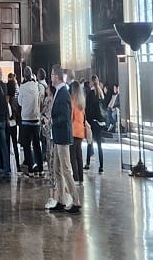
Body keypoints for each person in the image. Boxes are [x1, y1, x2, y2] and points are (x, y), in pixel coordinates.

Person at [46, 65, 79, 213]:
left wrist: (52, 120)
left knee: (65, 170)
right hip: (57, 136)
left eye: (52, 75)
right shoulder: (59, 91)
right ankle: (61, 200)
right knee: (57, 170)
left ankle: (76, 201)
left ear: (57, 76)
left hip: (63, 136)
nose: (51, 77)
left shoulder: (64, 93)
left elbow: (65, 117)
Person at [18, 66, 45, 176]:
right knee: (37, 145)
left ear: (24, 75)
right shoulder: (36, 85)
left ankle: (30, 170)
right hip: (36, 119)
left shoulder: (22, 87)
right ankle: (41, 169)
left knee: (27, 146)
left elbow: (19, 102)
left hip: (26, 120)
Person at [85, 75, 105, 173]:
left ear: (92, 82)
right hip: (101, 122)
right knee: (99, 145)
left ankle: (88, 163)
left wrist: (87, 121)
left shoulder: (90, 94)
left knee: (89, 142)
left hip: (92, 121)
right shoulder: (101, 93)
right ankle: (101, 166)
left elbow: (88, 109)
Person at [70, 80, 87, 184]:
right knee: (79, 155)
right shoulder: (82, 100)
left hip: (73, 130)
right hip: (81, 130)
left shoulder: (72, 100)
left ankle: (75, 177)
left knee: (72, 155)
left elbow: (71, 117)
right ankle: (81, 177)